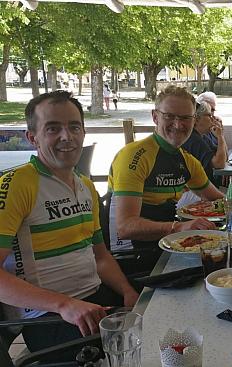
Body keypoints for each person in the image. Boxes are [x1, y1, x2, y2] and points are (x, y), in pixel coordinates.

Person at [0, 90, 139, 354]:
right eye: (53, 128)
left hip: (95, 299)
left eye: (74, 127)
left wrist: (127, 292)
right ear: (33, 138)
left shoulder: (85, 185)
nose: (67, 136)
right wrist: (65, 305)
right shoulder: (16, 184)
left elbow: (100, 257)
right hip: (46, 316)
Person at [107, 85, 224, 272]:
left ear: (194, 121)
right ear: (155, 117)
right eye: (169, 116)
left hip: (167, 246)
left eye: (185, 118)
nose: (178, 125)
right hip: (131, 255)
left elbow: (218, 199)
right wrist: (179, 227)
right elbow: (125, 227)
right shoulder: (134, 156)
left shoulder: (187, 160)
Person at [177, 100, 229, 208]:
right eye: (209, 115)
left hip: (199, 189)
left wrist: (220, 136)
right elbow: (219, 164)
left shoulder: (201, 136)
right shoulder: (194, 139)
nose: (212, 119)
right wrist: (220, 136)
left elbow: (224, 158)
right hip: (191, 193)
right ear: (196, 119)